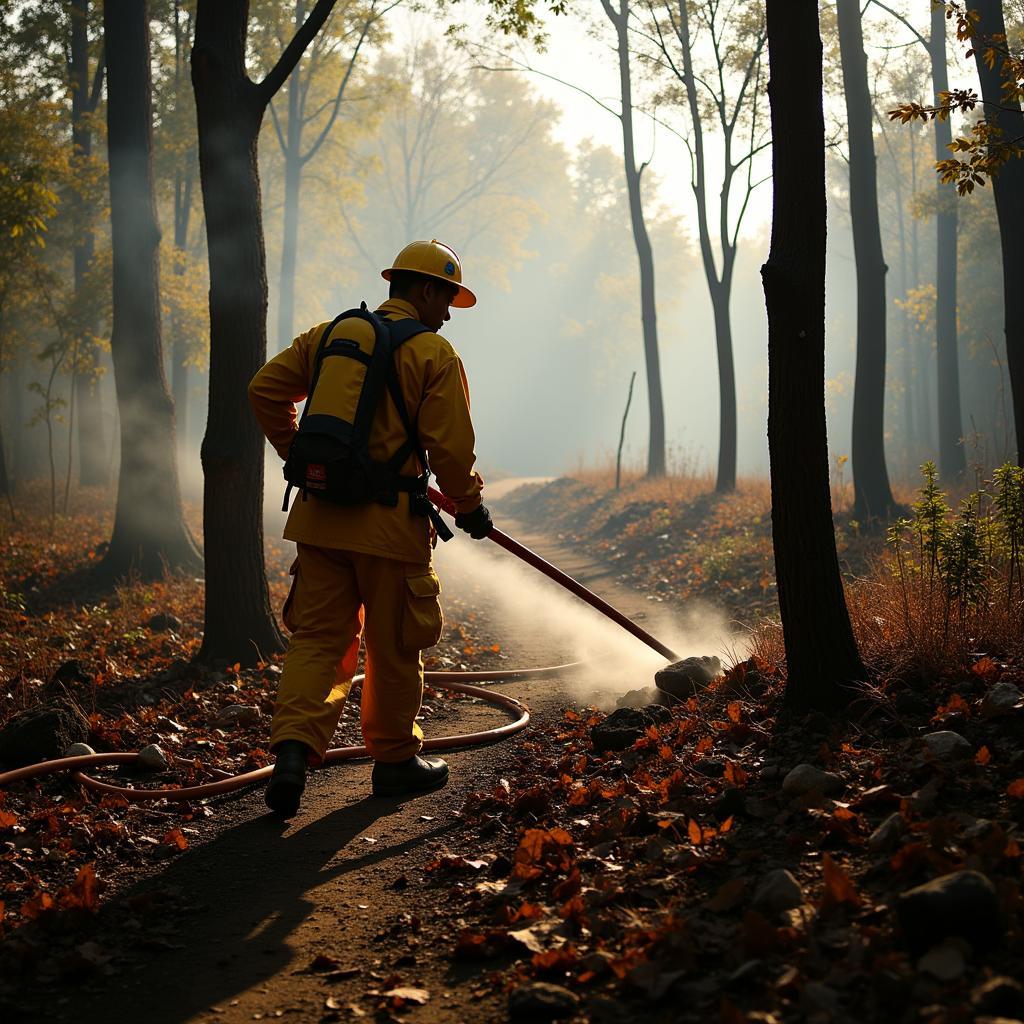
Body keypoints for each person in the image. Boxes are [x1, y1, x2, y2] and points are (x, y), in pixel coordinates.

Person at [248, 239, 493, 816]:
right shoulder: (434, 353)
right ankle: (394, 763)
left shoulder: (330, 336)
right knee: (394, 645)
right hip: (389, 528)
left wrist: (300, 458)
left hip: (320, 520)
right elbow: (451, 448)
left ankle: (292, 755)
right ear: (426, 289)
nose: (450, 312)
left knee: (318, 641)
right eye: (448, 298)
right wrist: (468, 504)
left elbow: (264, 390)